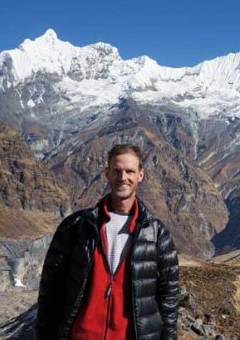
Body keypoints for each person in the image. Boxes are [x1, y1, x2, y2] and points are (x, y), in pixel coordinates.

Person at [35, 144, 179, 340]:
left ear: (140, 175)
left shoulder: (157, 234)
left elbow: (169, 297)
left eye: (130, 171)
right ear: (107, 174)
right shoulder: (76, 228)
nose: (123, 178)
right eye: (117, 171)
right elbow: (50, 291)